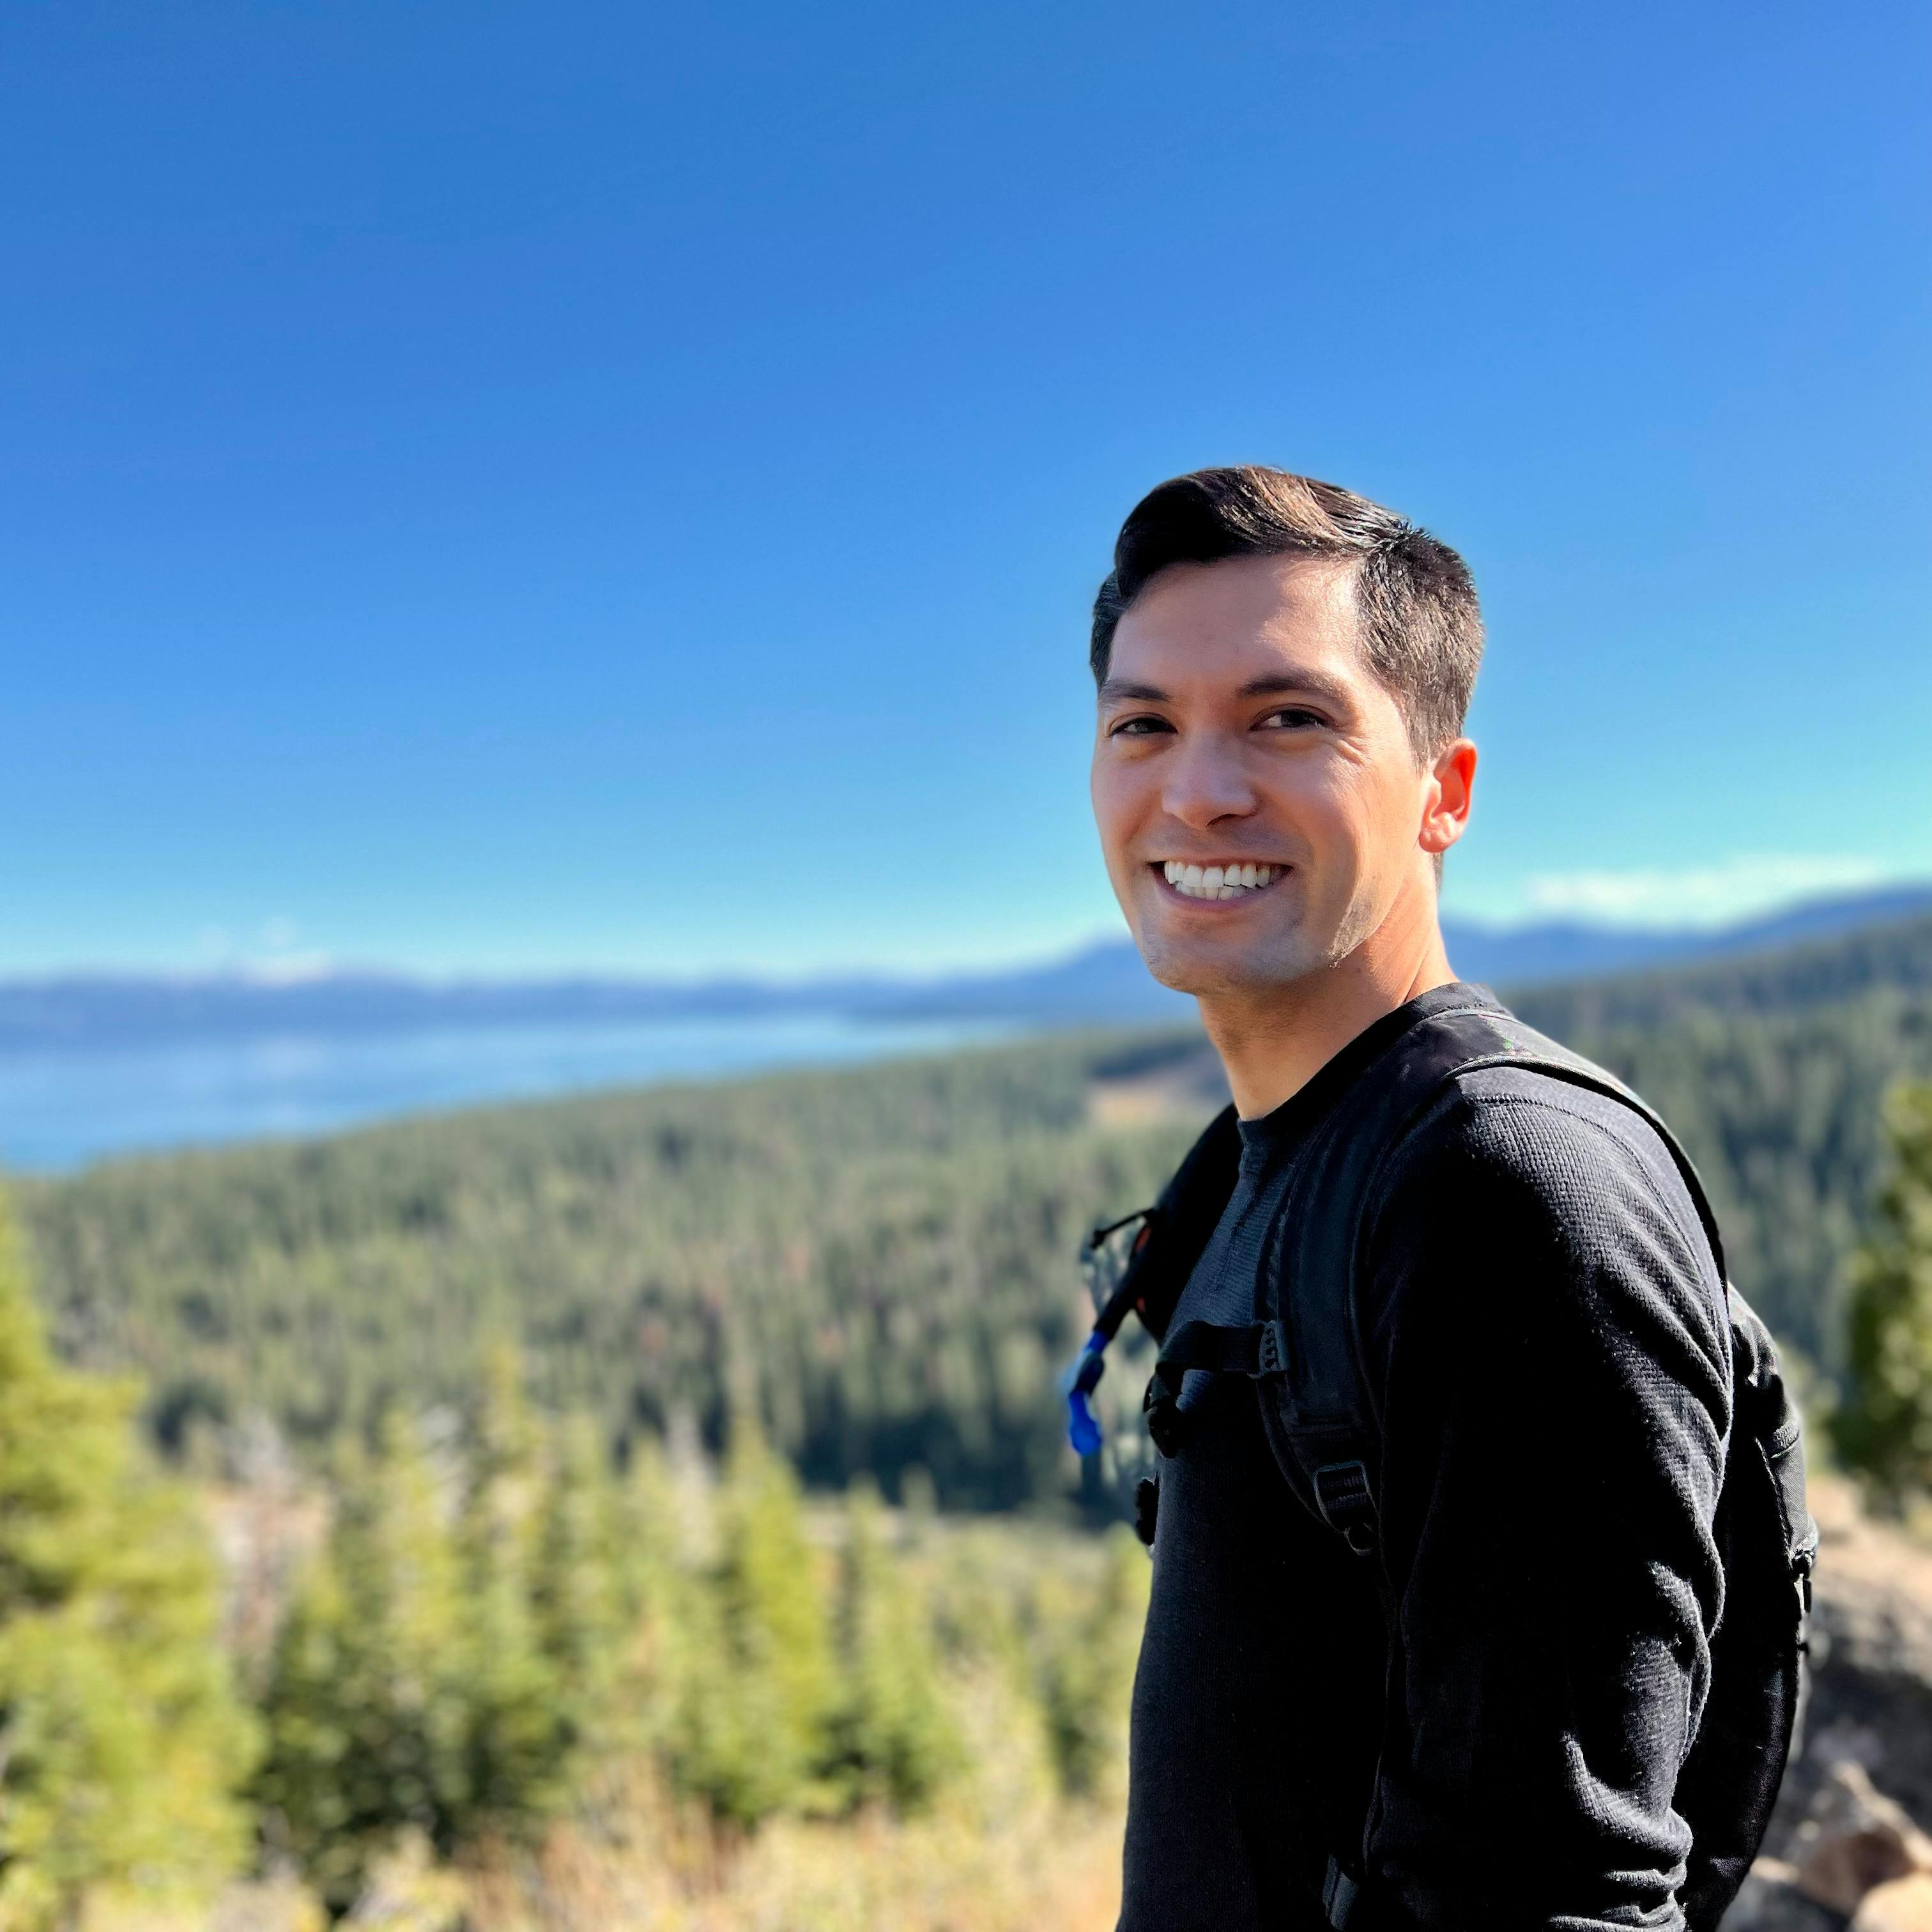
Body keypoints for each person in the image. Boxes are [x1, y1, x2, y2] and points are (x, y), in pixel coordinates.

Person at [1087, 467, 1735, 1931]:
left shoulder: (1499, 1195)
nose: (1196, 789)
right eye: (1144, 724)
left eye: (1287, 717)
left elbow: (1560, 1899)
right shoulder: (1267, 1162)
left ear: (1443, 792)